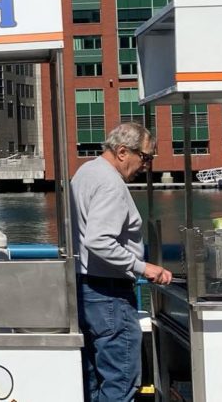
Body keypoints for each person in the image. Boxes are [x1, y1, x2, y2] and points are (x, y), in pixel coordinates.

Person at [71, 122, 173, 402]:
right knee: (121, 381)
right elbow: (99, 240)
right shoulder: (111, 184)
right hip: (110, 295)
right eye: (146, 157)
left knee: (92, 379)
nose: (147, 165)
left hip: (86, 289)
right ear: (123, 152)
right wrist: (144, 267)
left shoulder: (85, 172)